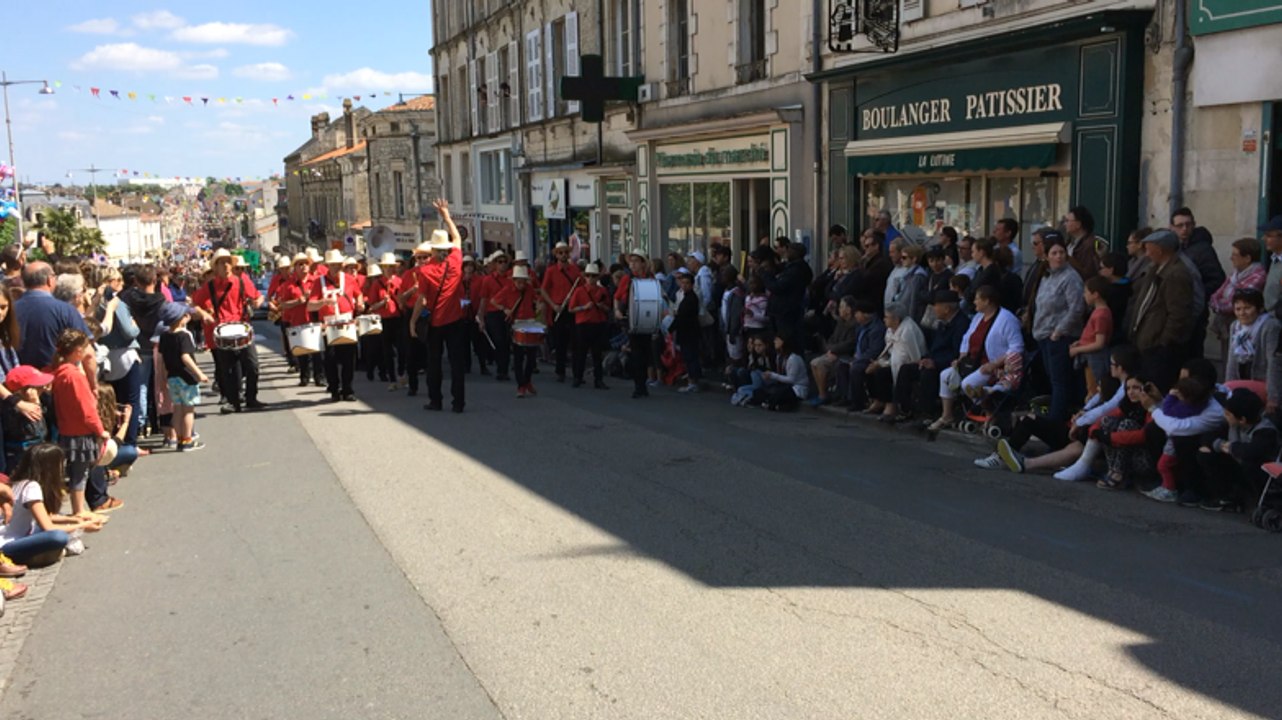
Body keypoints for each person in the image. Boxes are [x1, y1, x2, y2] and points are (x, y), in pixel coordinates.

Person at [929, 285, 1024, 432]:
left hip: (993, 367)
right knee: (946, 375)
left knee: (969, 383)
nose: (974, 302)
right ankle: (947, 415)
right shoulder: (978, 318)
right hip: (972, 363)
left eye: (977, 299)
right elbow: (967, 338)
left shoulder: (1007, 319)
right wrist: (961, 357)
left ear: (987, 301)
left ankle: (990, 412)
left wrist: (995, 364)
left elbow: (1016, 347)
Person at [409, 199, 468, 413]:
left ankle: (436, 400)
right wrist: (446, 215)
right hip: (455, 321)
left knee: (434, 363)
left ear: (433, 249)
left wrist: (413, 321)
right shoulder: (455, 261)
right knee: (457, 363)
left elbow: (422, 300)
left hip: (435, 322)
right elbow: (458, 238)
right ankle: (458, 402)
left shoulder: (425, 271)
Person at [190, 248, 264, 414]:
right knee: (229, 370)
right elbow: (194, 304)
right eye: (222, 262)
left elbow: (258, 296)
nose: (226, 266)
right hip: (222, 330)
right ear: (215, 267)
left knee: (253, 365)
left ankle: (251, 397)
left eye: (228, 261)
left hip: (243, 327)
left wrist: (257, 302)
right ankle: (233, 401)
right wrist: (203, 314)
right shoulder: (209, 287)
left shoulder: (241, 282)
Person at [0, 444, 97, 567]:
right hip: (7, 544)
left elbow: (46, 516)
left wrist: (74, 519)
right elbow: (48, 527)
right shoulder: (31, 486)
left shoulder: (17, 483)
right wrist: (83, 526)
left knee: (58, 529)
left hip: (14, 537)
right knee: (58, 536)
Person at [50, 329, 109, 522]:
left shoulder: (60, 373)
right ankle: (78, 509)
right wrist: (100, 430)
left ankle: (79, 507)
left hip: (67, 428)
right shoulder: (75, 376)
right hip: (81, 432)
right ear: (77, 351)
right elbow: (87, 409)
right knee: (80, 472)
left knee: (76, 471)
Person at [1125, 229, 1194, 393]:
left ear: (1160, 250)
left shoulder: (1176, 274)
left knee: (1156, 390)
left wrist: (1164, 341)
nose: (1147, 254)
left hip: (1159, 346)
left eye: (1149, 249)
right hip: (1146, 341)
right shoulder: (1155, 269)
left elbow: (1178, 314)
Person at [1194, 388, 1279, 512]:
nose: (1225, 416)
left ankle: (1255, 500)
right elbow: (1208, 437)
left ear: (1242, 419)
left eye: (1228, 414)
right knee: (1205, 453)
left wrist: (1230, 447)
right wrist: (1221, 445)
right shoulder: (1233, 425)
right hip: (1236, 462)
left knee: (1249, 464)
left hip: (1259, 472)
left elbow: (1250, 452)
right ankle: (1226, 496)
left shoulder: (1265, 431)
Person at [14, 262, 96, 384]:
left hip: (19, 383)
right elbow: (87, 352)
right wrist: (93, 384)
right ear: (49, 280)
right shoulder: (65, 310)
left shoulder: (10, 310)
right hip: (56, 382)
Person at [895, 289, 969, 421]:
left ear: (946, 308)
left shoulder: (961, 324)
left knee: (928, 374)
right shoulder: (942, 323)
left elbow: (958, 352)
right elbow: (935, 347)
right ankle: (905, 409)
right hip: (935, 360)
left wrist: (935, 363)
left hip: (949, 364)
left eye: (936, 305)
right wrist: (925, 359)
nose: (933, 309)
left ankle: (927, 414)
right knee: (906, 369)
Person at [1033, 238, 1086, 422]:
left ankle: (1055, 423)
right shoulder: (1047, 276)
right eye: (1054, 253)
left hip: (1060, 336)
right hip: (1043, 334)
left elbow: (1077, 307)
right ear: (1047, 256)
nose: (1058, 257)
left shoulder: (1071, 278)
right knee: (1053, 378)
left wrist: (1059, 331)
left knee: (1060, 381)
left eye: (1061, 253)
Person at [310, 250, 364, 403]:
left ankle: (348, 389)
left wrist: (360, 303)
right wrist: (323, 302)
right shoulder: (318, 282)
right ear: (327, 266)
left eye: (339, 264)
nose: (336, 267)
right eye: (333, 265)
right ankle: (334, 389)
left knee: (349, 359)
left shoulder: (349, 279)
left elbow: (358, 294)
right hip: (328, 323)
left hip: (347, 321)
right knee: (330, 359)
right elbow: (310, 306)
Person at [865, 303, 928, 422]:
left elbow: (914, 357)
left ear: (896, 319)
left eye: (887, 317)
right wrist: (881, 363)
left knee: (902, 374)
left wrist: (884, 364)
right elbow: (891, 353)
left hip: (910, 364)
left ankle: (902, 409)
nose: (884, 319)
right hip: (894, 362)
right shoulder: (890, 330)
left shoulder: (907, 331)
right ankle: (884, 402)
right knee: (879, 373)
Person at [1090, 375, 1154, 491]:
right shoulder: (1127, 405)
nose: (1131, 392)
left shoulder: (1152, 408)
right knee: (1107, 422)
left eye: (1135, 388)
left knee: (1127, 424)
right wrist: (1094, 430)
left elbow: (1143, 436)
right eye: (1128, 388)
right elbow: (1104, 418)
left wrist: (1110, 437)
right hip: (1127, 455)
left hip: (1146, 458)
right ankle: (1112, 470)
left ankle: (1119, 473)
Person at [1224, 288, 1282, 410]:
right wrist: (1228, 390)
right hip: (1242, 378)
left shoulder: (1270, 326)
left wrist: (1273, 398)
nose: (1242, 313)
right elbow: (1231, 359)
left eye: (1247, 308)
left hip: (1263, 381)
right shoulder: (1235, 326)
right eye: (1238, 309)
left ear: (1259, 309)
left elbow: (1274, 362)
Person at [492, 265, 541, 398]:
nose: (521, 284)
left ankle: (527, 381)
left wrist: (538, 306)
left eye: (523, 281)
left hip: (530, 322)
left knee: (531, 357)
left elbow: (537, 299)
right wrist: (504, 309)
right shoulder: (508, 289)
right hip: (516, 323)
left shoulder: (529, 289)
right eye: (518, 281)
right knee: (518, 357)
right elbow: (494, 301)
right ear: (514, 281)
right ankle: (521, 385)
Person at [277, 254, 322, 388]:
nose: (303, 267)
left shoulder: (317, 281)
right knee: (302, 352)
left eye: (305, 264)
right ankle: (304, 377)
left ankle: (319, 377)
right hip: (298, 320)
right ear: (295, 268)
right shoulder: (289, 285)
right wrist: (298, 301)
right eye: (300, 264)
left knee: (317, 352)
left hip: (314, 319)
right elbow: (283, 305)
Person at [615, 249, 655, 399]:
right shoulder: (627, 279)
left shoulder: (650, 278)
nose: (633, 264)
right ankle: (639, 386)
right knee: (636, 353)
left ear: (643, 263)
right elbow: (617, 297)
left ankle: (643, 384)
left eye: (636, 261)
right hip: (631, 320)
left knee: (646, 354)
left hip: (646, 319)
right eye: (631, 261)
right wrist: (617, 311)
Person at [540, 241, 583, 382]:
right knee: (560, 341)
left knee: (576, 341)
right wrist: (553, 305)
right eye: (560, 252)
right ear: (556, 255)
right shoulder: (551, 271)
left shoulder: (574, 270)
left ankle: (577, 373)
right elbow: (543, 290)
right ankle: (560, 371)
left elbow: (581, 288)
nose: (564, 255)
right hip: (558, 308)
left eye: (566, 252)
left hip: (572, 308)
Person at [1208, 237, 1266, 341]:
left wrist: (1218, 306)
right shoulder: (1236, 273)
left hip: (1244, 326)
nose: (1231, 258)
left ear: (1247, 258)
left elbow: (1236, 303)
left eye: (1235, 255)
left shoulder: (1257, 277)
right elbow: (1217, 294)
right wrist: (1217, 302)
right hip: (1227, 323)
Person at [1070, 276, 1115, 399]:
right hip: (1090, 358)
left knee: (1094, 390)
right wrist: (1080, 342)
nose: (1084, 295)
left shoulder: (1101, 315)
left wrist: (1078, 350)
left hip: (1096, 359)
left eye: (1086, 292)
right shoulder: (1098, 312)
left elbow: (1099, 343)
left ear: (1095, 294)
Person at [808, 296, 858, 406]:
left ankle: (823, 395)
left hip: (845, 355)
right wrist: (830, 349)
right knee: (813, 363)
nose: (839, 310)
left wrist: (833, 350)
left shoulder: (855, 325)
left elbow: (850, 344)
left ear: (848, 310)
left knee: (819, 363)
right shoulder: (840, 323)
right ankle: (822, 393)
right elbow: (832, 339)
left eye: (841, 307)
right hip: (833, 352)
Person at [760, 243, 813, 345]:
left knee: (785, 341)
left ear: (796, 253)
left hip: (786, 311)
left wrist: (764, 275)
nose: (787, 252)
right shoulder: (790, 267)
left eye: (790, 250)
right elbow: (778, 268)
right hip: (781, 310)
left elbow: (777, 287)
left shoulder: (797, 270)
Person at [568, 263, 610, 389]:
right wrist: (584, 307)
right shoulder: (579, 291)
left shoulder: (603, 291)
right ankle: (578, 377)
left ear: (597, 278)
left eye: (593, 276)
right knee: (581, 353)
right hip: (583, 324)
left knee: (597, 354)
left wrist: (602, 306)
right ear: (585, 277)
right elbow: (571, 309)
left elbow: (608, 308)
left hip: (598, 323)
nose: (591, 279)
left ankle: (598, 379)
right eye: (588, 276)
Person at [841, 300, 887, 412]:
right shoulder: (861, 327)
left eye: (857, 313)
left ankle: (858, 402)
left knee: (856, 369)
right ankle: (844, 397)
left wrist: (858, 360)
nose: (855, 315)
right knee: (841, 365)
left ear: (866, 314)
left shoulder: (877, 328)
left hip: (871, 359)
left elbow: (874, 350)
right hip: (859, 356)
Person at [476, 251, 513, 382]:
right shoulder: (487, 280)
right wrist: (481, 318)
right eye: (499, 262)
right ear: (495, 264)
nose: (503, 265)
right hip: (493, 313)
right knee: (498, 341)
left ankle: (504, 369)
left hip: (509, 312)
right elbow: (483, 300)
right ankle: (500, 369)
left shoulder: (511, 280)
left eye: (504, 262)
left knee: (507, 342)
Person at [362, 262, 399, 386]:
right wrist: (383, 302)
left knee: (398, 348)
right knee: (380, 348)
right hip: (380, 319)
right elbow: (371, 306)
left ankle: (394, 372)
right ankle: (382, 372)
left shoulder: (398, 281)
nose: (374, 279)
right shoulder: (375, 285)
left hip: (396, 318)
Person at [751, 336, 808, 411]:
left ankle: (773, 404)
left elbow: (791, 380)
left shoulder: (793, 358)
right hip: (783, 385)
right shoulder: (779, 357)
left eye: (777, 340)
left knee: (780, 393)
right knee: (759, 392)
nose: (774, 341)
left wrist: (772, 375)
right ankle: (774, 404)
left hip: (796, 388)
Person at [671, 269, 704, 393]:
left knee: (691, 357)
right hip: (686, 332)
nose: (684, 285)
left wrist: (671, 328)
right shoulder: (685, 297)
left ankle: (693, 381)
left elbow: (682, 316)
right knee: (688, 356)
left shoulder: (691, 298)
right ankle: (692, 379)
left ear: (692, 285)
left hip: (689, 332)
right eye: (682, 283)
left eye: (687, 283)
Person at [1062, 205, 1100, 279]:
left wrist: (1067, 258)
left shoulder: (1089, 245)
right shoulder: (1069, 242)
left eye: (1067, 221)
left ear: (1078, 224)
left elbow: (1088, 273)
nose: (1065, 224)